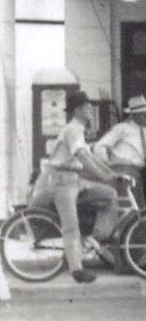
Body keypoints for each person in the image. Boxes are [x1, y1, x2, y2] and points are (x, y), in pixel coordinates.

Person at [46, 89, 129, 284]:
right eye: (85, 106)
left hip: (75, 179)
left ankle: (95, 240)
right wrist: (104, 175)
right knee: (71, 226)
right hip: (62, 180)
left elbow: (90, 157)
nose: (90, 109)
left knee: (109, 195)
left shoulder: (79, 130)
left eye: (90, 106)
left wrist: (111, 173)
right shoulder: (73, 129)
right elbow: (82, 157)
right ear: (75, 110)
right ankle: (77, 270)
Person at [92, 94, 146, 206]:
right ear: (134, 115)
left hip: (138, 172)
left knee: (139, 205)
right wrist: (107, 164)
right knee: (130, 206)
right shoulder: (122, 128)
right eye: (143, 113)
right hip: (123, 170)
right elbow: (100, 146)